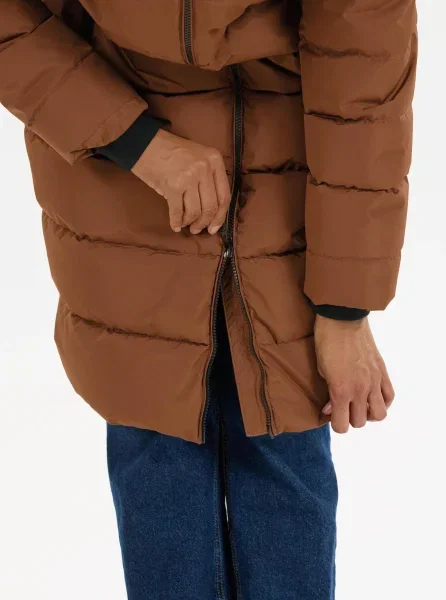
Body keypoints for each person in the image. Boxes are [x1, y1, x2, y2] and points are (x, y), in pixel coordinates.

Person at [0, 1, 417, 598]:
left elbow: (363, 66)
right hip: (122, 184)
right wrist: (136, 143)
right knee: (162, 452)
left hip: (288, 195)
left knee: (278, 447)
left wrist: (344, 309)